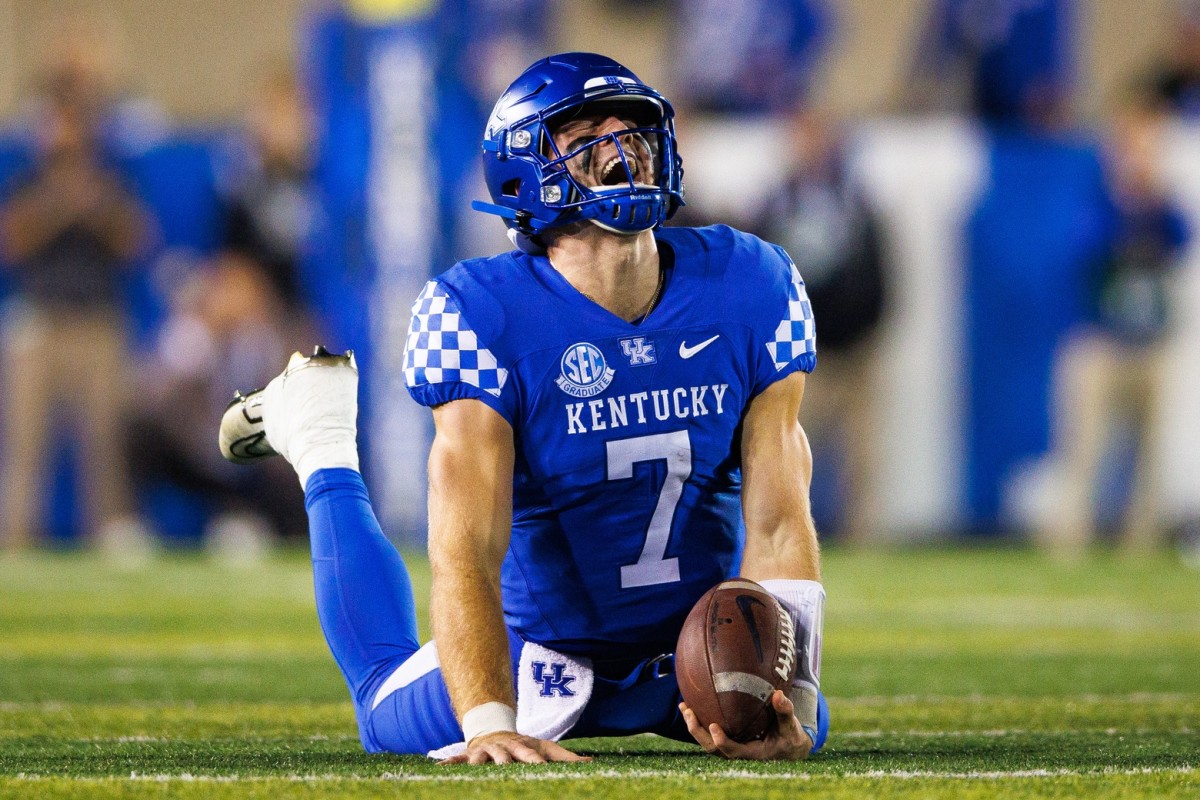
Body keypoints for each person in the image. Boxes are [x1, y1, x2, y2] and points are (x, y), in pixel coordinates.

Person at [220, 53, 828, 764]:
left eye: (632, 128)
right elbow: (466, 549)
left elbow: (779, 522)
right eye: (586, 135)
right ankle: (319, 433)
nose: (621, 147)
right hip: (542, 655)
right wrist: (487, 719)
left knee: (797, 727)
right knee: (381, 711)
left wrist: (789, 697)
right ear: (524, 170)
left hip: (693, 654)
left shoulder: (751, 283)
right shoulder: (482, 313)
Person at [0, 65, 150, 550]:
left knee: (106, 445)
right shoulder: (27, 181)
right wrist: (57, 204)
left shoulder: (109, 180)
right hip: (39, 324)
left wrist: (94, 205)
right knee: (25, 446)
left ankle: (111, 539)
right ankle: (16, 544)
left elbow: (136, 241)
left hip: (96, 323)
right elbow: (12, 242)